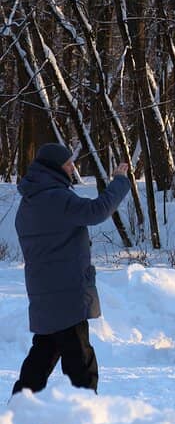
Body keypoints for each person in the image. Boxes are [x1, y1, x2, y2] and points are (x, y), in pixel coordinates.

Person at [11, 143, 131, 396]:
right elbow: (96, 211)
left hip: (44, 290)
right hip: (66, 290)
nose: (72, 167)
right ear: (54, 167)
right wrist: (119, 182)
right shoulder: (56, 197)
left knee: (44, 352)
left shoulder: (29, 202)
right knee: (80, 357)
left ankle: (21, 404)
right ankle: (85, 407)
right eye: (67, 163)